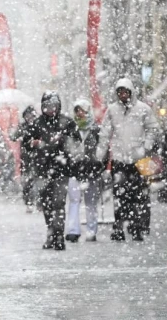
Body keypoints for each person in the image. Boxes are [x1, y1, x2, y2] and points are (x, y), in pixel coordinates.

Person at [96, 78, 159, 242]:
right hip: (119, 159)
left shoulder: (143, 109)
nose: (123, 95)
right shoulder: (112, 111)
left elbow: (153, 128)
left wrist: (145, 147)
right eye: (120, 92)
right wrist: (100, 154)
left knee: (139, 196)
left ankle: (137, 227)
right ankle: (119, 228)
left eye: (125, 92)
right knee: (120, 196)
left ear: (131, 92)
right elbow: (104, 134)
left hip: (139, 160)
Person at [23, 91, 80, 250]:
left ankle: (58, 236)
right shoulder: (37, 123)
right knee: (47, 205)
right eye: (47, 106)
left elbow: (76, 142)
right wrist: (33, 144)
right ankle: (52, 234)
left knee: (58, 203)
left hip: (62, 170)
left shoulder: (67, 122)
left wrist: (64, 141)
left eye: (53, 106)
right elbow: (26, 142)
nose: (51, 109)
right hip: (42, 169)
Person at [65, 99, 103, 242]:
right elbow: (67, 148)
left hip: (92, 170)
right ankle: (73, 230)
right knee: (74, 200)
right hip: (74, 170)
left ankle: (91, 231)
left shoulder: (96, 130)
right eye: (77, 110)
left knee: (91, 202)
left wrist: (101, 165)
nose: (80, 113)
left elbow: (103, 149)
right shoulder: (71, 129)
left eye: (82, 110)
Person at [10, 105, 38, 212]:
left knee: (38, 180)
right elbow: (13, 137)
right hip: (26, 158)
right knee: (27, 181)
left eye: (31, 115)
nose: (29, 117)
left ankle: (39, 202)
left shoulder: (39, 125)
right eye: (27, 115)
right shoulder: (23, 126)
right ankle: (29, 202)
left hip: (38, 157)